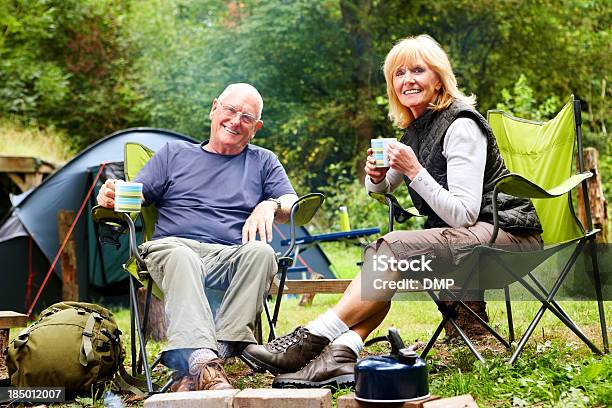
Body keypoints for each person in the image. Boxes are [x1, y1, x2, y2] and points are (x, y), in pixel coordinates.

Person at [242, 35, 543, 388]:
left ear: (439, 78)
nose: (408, 80)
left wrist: (415, 171)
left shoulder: (461, 125)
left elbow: (464, 214)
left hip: (506, 238)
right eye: (399, 73)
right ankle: (343, 353)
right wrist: (378, 179)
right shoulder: (415, 131)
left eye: (418, 70)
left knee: (394, 249)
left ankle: (311, 338)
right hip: (467, 243)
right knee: (382, 260)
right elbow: (384, 189)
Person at [96, 83, 298, 392]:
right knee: (183, 257)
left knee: (262, 253)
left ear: (256, 128)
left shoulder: (263, 161)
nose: (235, 121)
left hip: (229, 255)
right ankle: (204, 363)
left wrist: (270, 204)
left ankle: (205, 359)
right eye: (230, 110)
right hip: (173, 249)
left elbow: (292, 204)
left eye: (246, 117)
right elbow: (133, 196)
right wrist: (111, 195)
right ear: (214, 108)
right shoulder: (173, 154)